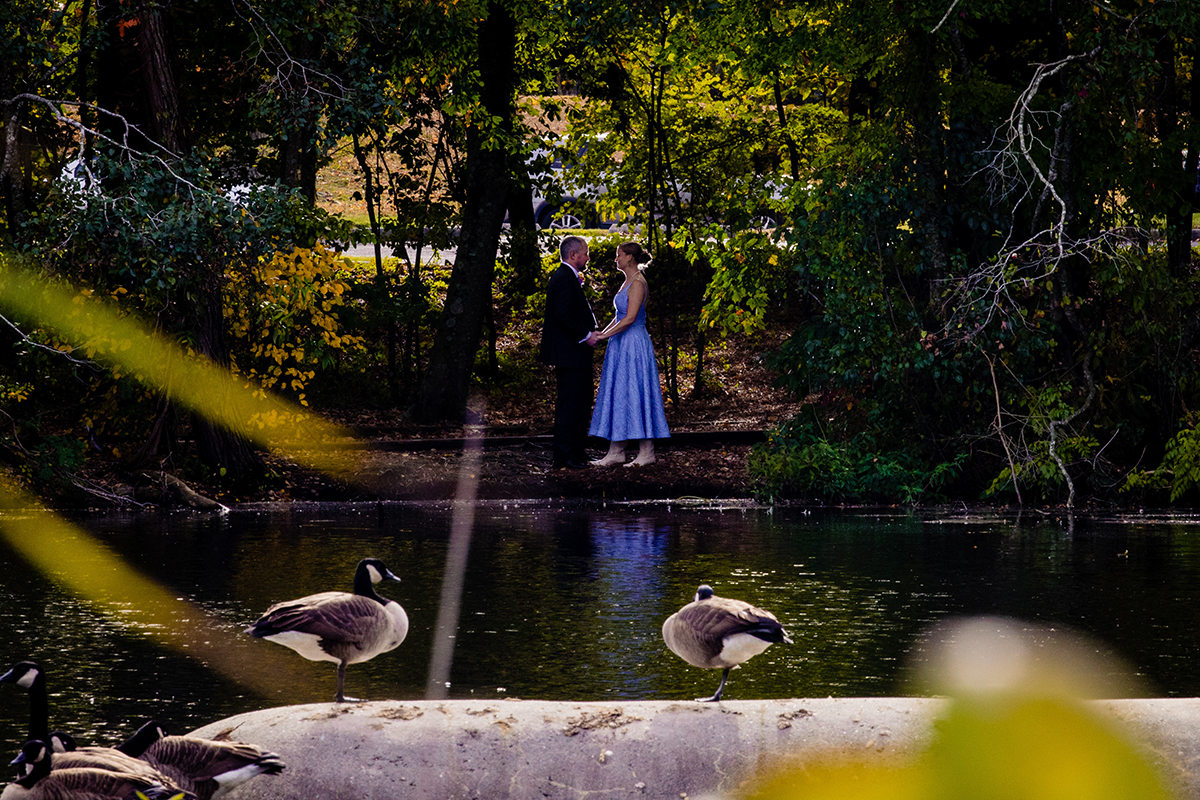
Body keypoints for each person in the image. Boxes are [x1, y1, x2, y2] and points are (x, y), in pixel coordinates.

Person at [588, 241, 670, 467]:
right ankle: (616, 450)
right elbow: (619, 315)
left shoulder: (638, 283)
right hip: (621, 344)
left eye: (619, 255)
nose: (616, 259)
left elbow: (630, 318)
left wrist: (605, 337)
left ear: (630, 258)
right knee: (620, 392)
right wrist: (602, 333)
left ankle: (647, 451)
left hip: (634, 344)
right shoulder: (627, 282)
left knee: (637, 391)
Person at [540, 235, 600, 469]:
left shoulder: (567, 277)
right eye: (585, 253)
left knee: (581, 402)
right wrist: (587, 335)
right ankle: (565, 455)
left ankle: (576, 451)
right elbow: (563, 314)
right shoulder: (564, 278)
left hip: (574, 354)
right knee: (571, 403)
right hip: (570, 353)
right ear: (573, 255)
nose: (587, 257)